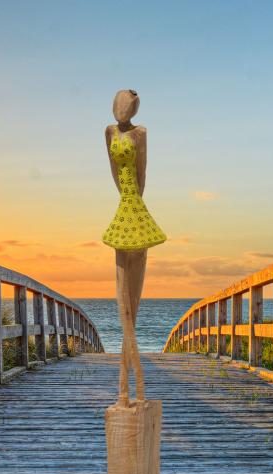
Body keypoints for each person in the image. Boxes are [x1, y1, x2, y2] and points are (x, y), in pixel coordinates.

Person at [102, 89, 166, 405]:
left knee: (133, 299)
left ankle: (132, 383)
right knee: (122, 298)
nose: (120, 109)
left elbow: (142, 174)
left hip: (135, 208)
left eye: (125, 104)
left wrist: (134, 203)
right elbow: (114, 170)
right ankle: (126, 384)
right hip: (122, 207)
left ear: (134, 107)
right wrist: (124, 199)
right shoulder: (109, 132)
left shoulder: (141, 133)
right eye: (117, 104)